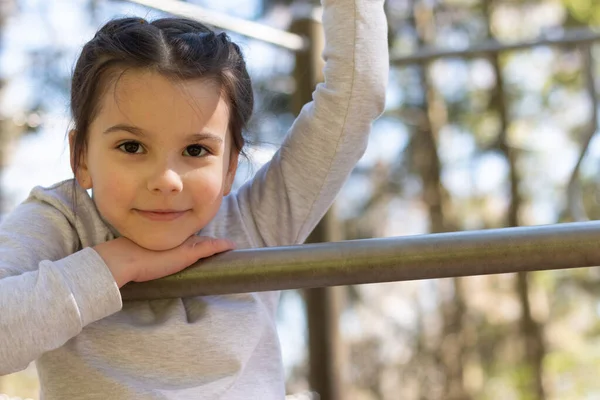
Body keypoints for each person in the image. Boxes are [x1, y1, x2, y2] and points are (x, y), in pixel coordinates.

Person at [0, 0, 388, 398]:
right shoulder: (62, 222)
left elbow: (355, 97)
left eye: (196, 151)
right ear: (81, 156)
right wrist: (114, 264)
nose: (166, 180)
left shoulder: (257, 222)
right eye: (132, 146)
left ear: (231, 167)